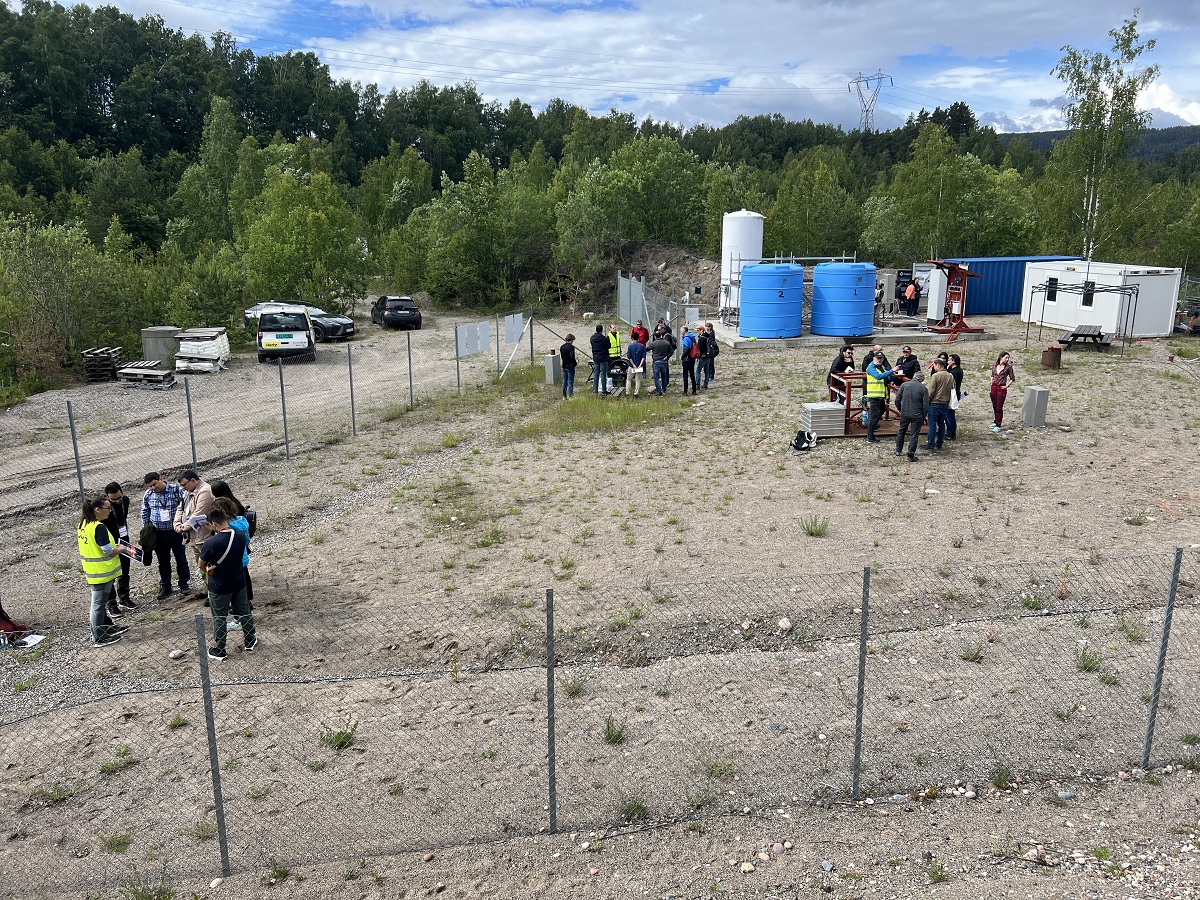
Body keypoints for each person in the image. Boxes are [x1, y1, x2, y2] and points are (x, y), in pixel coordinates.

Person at [199, 506, 255, 661]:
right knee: (244, 611)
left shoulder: (211, 542)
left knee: (219, 617)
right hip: (238, 580)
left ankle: (220, 649)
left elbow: (200, 564)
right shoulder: (240, 536)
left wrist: (210, 569)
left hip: (219, 585)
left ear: (213, 524)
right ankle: (250, 641)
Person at [78, 496, 129, 647]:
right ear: (97, 509)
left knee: (101, 603)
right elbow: (108, 551)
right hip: (101, 573)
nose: (110, 511)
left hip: (95, 571)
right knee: (98, 605)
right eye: (108, 508)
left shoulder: (84, 524)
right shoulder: (98, 527)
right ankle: (98, 637)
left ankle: (107, 626)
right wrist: (122, 548)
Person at [141, 471, 190, 600]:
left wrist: (183, 524)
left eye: (154, 484)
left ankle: (184, 584)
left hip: (176, 532)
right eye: (150, 486)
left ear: (161, 479)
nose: (153, 487)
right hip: (159, 534)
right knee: (163, 561)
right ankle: (166, 586)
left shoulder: (176, 490)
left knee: (181, 559)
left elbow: (186, 505)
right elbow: (145, 511)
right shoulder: (148, 495)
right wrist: (147, 530)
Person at [211, 483, 253, 608]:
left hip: (233, 560)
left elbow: (224, 540)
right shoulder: (241, 519)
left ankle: (240, 609)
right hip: (243, 557)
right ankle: (247, 602)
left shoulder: (230, 527)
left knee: (236, 585)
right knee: (244, 577)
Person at [174, 470, 214, 596]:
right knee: (201, 565)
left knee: (210, 565)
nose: (183, 488)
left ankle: (215, 593)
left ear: (193, 480)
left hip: (204, 535)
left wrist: (183, 527)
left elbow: (199, 513)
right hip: (193, 536)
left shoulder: (205, 491)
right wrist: (176, 524)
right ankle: (209, 589)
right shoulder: (187, 492)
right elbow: (180, 509)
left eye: (185, 485)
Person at [104, 481, 136, 614]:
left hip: (124, 539)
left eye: (119, 498)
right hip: (110, 542)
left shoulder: (126, 501)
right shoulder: (104, 508)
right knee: (111, 574)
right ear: (107, 497)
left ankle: (124, 597)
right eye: (113, 500)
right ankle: (111, 604)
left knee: (124, 570)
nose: (117, 501)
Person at [894, 371, 929, 462]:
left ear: (914, 377)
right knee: (914, 434)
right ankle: (910, 454)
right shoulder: (923, 389)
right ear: (921, 380)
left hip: (905, 413)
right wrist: (923, 415)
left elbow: (897, 399)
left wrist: (900, 410)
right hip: (917, 415)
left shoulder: (904, 385)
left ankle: (898, 450)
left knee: (901, 430)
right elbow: (926, 405)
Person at [925, 358, 955, 451]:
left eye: (934, 365)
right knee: (941, 424)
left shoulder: (935, 376)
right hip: (945, 402)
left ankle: (930, 443)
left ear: (938, 365)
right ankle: (940, 443)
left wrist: (927, 402)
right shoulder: (950, 376)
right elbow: (953, 388)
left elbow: (931, 391)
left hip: (935, 402)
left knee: (932, 424)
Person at [864, 351, 893, 443]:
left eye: (881, 358)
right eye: (878, 358)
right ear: (874, 358)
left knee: (882, 410)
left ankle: (873, 427)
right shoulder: (871, 367)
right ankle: (870, 437)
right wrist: (891, 371)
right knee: (874, 416)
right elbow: (878, 376)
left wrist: (891, 375)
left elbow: (886, 378)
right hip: (874, 395)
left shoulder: (881, 367)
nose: (879, 360)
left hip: (880, 394)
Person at [990, 351, 1017, 432]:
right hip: (994, 387)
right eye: (1006, 357)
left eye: (1008, 358)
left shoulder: (1008, 367)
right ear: (1001, 357)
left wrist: (1007, 386)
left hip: (1001, 388)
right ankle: (995, 421)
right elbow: (992, 374)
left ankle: (998, 424)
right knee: (994, 405)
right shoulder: (995, 365)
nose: (1007, 359)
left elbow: (1012, 378)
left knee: (999, 406)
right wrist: (991, 382)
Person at [647, 330, 673, 396]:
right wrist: (667, 356)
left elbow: (647, 349)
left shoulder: (654, 343)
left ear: (655, 336)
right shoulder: (666, 343)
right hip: (664, 362)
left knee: (656, 377)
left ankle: (659, 391)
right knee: (664, 375)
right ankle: (664, 388)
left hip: (656, 362)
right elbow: (671, 351)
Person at [946, 353, 964, 440]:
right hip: (956, 393)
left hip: (952, 394)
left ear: (953, 361)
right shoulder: (959, 370)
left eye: (949, 360)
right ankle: (951, 432)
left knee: (950, 415)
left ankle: (951, 433)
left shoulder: (953, 372)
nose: (948, 361)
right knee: (950, 415)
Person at [589, 324, 609, 394]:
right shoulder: (605, 339)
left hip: (596, 357)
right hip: (603, 357)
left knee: (596, 374)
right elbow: (609, 346)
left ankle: (595, 390)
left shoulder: (592, 338)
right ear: (602, 330)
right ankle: (604, 390)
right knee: (603, 374)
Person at [626, 333, 646, 397]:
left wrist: (633, 365)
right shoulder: (642, 346)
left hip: (632, 366)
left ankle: (628, 392)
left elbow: (629, 357)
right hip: (639, 366)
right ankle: (636, 393)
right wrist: (640, 365)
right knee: (638, 380)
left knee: (629, 379)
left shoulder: (630, 346)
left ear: (632, 338)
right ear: (638, 338)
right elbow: (643, 357)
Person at [680, 326, 698, 395]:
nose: (681, 332)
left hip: (687, 359)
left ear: (684, 331)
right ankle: (694, 390)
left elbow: (686, 349)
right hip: (692, 358)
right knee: (692, 374)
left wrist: (682, 357)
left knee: (685, 375)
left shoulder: (686, 338)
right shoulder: (692, 337)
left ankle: (685, 391)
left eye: (681, 330)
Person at [559, 334, 577, 400]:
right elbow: (572, 357)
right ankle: (570, 395)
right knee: (570, 382)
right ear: (571, 340)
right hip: (570, 366)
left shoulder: (562, 347)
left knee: (564, 381)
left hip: (564, 365)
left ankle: (564, 396)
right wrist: (575, 363)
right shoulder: (571, 347)